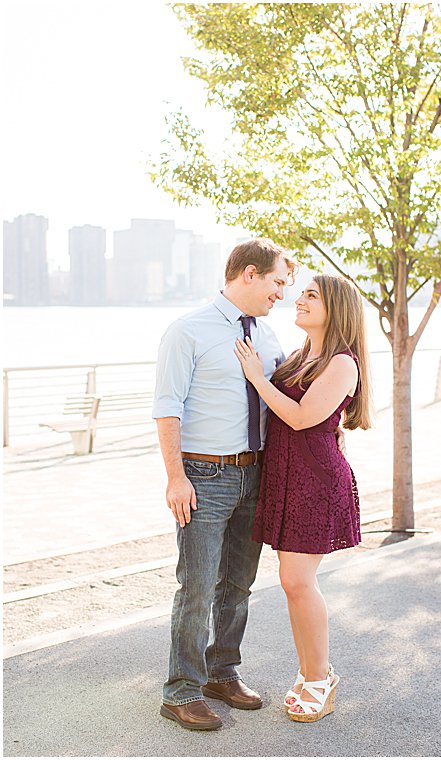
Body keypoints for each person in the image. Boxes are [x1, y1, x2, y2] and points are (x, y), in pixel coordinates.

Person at [154, 239, 294, 730]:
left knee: (239, 584)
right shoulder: (188, 330)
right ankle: (181, 690)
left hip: (256, 474)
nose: (282, 294)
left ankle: (222, 673)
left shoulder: (270, 338)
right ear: (249, 274)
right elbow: (167, 407)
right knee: (196, 586)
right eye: (278, 282)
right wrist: (175, 477)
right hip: (205, 476)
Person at [234, 274, 371, 723]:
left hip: (315, 481)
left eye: (311, 295)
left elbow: (299, 417)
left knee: (296, 581)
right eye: (302, 292)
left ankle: (320, 678)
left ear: (336, 307)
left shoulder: (342, 363)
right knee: (292, 582)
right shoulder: (301, 356)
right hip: (288, 476)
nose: (300, 299)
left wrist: (256, 376)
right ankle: (311, 673)